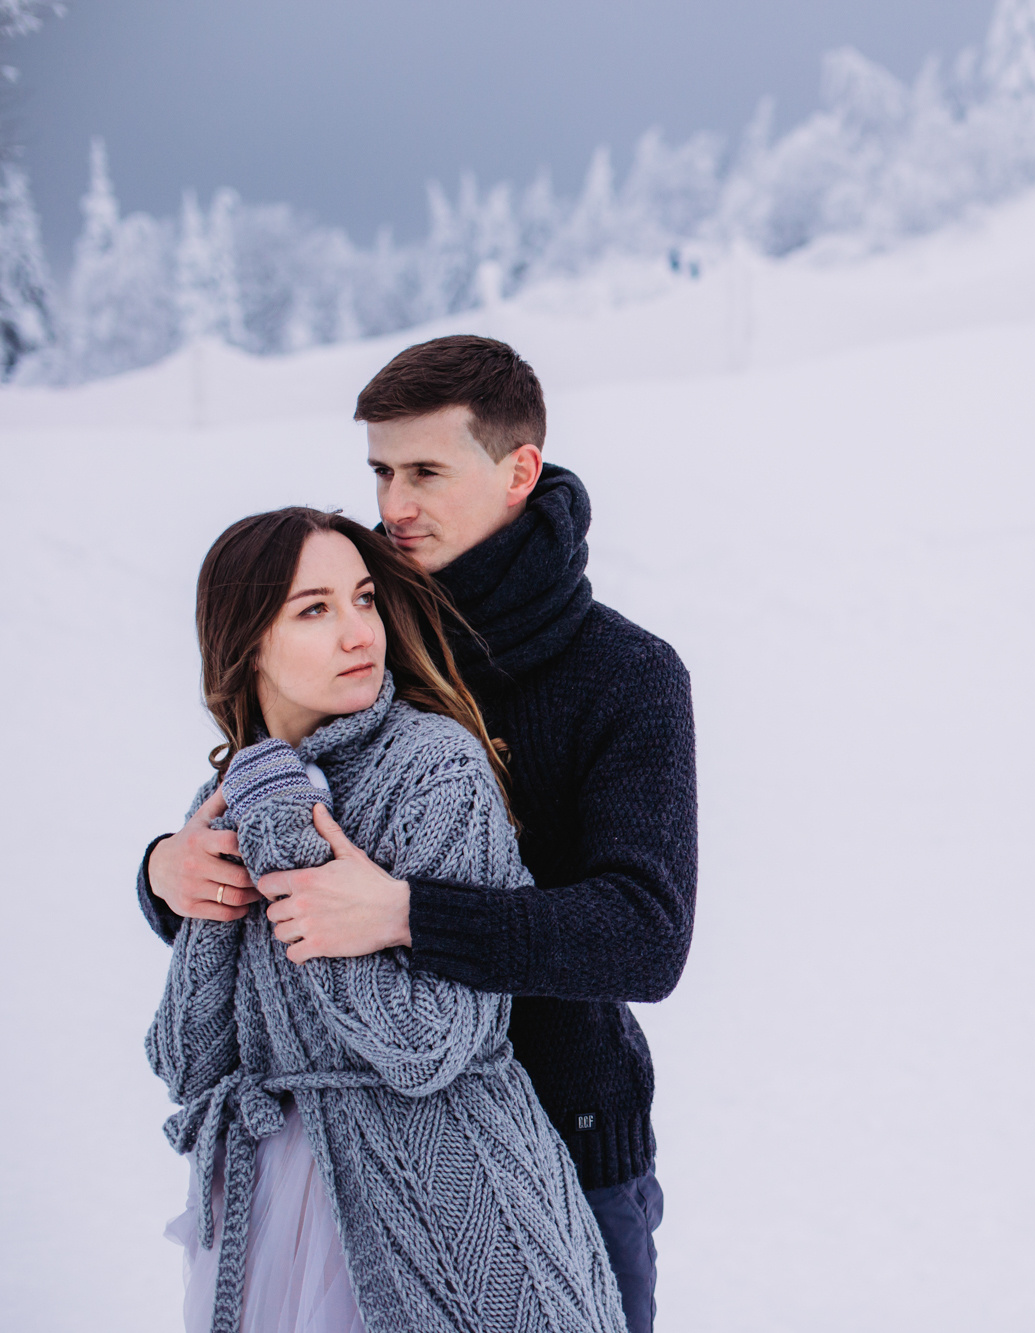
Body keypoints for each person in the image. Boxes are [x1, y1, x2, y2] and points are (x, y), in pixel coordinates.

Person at [139, 336, 698, 1333]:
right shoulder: (370, 633)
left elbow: (644, 934)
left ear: (518, 470)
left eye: (425, 471)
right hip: (350, 1153)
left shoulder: (623, 674)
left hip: (563, 1128)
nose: (393, 502)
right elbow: (284, 836)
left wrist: (405, 914)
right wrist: (165, 872)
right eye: (381, 471)